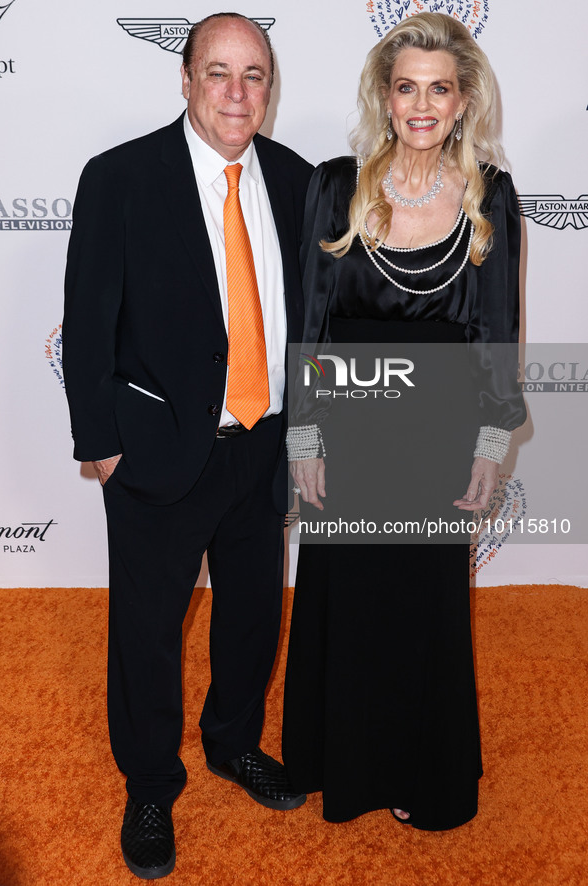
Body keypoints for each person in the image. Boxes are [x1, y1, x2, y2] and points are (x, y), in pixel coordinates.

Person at [63, 12, 313, 880]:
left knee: (251, 612)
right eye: (219, 73)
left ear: (269, 88)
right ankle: (149, 782)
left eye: (253, 75)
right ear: (185, 79)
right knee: (146, 627)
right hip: (160, 448)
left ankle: (232, 743)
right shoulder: (121, 178)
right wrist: (99, 444)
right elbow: (88, 325)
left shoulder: (297, 179)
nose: (237, 93)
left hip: (265, 445)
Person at [282, 12, 526, 831]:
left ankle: (423, 773)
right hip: (348, 428)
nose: (421, 105)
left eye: (439, 89)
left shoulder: (490, 197)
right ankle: (344, 765)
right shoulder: (334, 185)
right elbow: (309, 322)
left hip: (436, 433)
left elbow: (496, 329)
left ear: (461, 102)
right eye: (405, 88)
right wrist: (304, 430)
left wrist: (492, 441)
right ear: (385, 98)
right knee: (346, 596)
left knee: (422, 607)